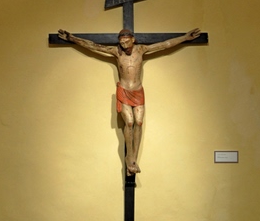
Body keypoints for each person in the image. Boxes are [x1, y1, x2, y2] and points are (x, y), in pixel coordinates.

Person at [58, 27, 200, 175]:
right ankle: (129, 158)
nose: (124, 45)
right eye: (122, 43)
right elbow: (93, 46)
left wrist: (185, 38)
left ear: (133, 39)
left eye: (127, 42)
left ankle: (133, 160)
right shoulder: (116, 51)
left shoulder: (141, 50)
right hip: (124, 90)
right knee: (130, 122)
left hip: (137, 91)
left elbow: (165, 44)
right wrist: (72, 38)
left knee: (139, 122)